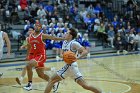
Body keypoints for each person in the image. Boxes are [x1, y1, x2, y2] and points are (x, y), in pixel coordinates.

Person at [44, 28, 101, 93]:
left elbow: (85, 51)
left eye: (67, 33)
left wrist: (77, 58)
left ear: (70, 36)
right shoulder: (64, 42)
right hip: (72, 67)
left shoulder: (74, 43)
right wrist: (64, 56)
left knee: (51, 80)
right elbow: (61, 54)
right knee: (85, 86)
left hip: (70, 66)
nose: (65, 33)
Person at [23, 23, 65, 91]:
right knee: (41, 75)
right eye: (36, 26)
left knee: (28, 65)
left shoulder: (42, 35)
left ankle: (29, 85)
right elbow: (29, 46)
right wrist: (27, 55)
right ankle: (54, 83)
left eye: (39, 26)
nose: (37, 27)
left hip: (41, 56)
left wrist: (64, 38)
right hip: (34, 56)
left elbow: (53, 38)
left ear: (41, 28)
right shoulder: (29, 37)